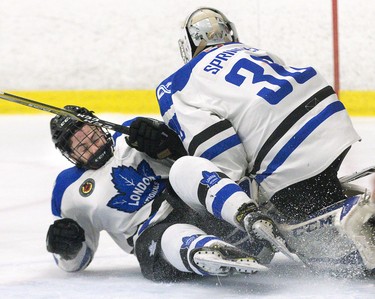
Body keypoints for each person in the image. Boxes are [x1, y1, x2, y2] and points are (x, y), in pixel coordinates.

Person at [137, 7, 374, 273]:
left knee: (193, 174)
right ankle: (331, 200)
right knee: (313, 190)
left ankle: (342, 232)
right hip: (332, 121)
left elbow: (215, 143)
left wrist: (236, 194)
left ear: (187, 45)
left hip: (285, 157)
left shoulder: (174, 85)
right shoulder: (253, 51)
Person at [45, 105, 269, 283]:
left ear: (99, 126)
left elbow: (191, 151)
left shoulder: (131, 133)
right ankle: (209, 251)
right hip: (150, 236)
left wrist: (165, 141)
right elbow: (77, 261)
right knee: (171, 235)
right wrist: (67, 248)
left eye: (94, 138)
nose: (93, 148)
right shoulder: (68, 189)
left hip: (192, 205)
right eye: (83, 148)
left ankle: (246, 213)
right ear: (70, 155)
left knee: (185, 167)